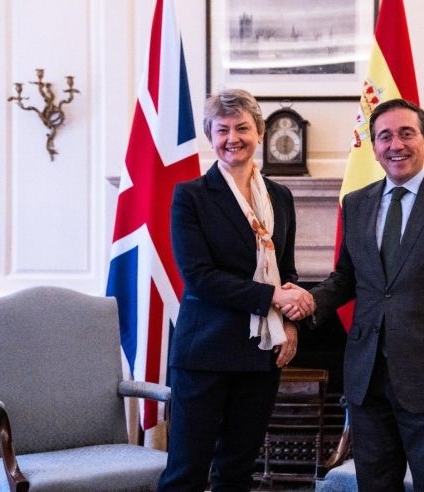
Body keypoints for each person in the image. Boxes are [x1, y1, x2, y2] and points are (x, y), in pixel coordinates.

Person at [300, 99, 424, 491]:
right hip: (367, 379)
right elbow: (346, 278)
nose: (396, 145)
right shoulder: (356, 203)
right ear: (374, 148)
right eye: (384, 137)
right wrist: (308, 301)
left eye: (407, 134)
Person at [157, 88, 313, 492]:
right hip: (205, 353)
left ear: (259, 132)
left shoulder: (280, 197)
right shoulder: (190, 196)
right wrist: (273, 298)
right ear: (210, 136)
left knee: (237, 473)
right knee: (186, 474)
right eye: (222, 129)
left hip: (261, 354)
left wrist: (291, 325)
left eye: (242, 128)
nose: (232, 138)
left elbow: (286, 271)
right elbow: (199, 277)